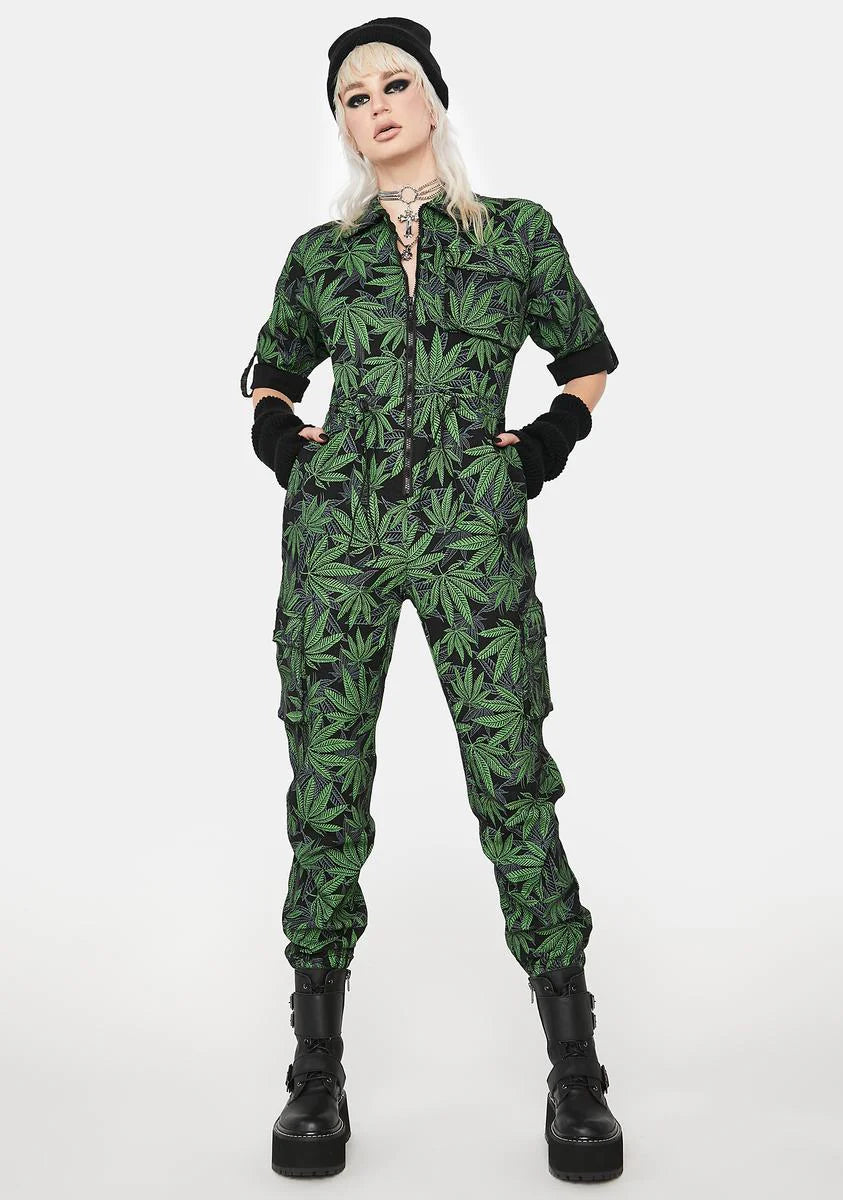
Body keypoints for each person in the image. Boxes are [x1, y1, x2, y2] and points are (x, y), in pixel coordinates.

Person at [240, 16, 622, 1183]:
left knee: (513, 780)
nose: (377, 108)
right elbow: (271, 367)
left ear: (435, 99)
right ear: (344, 127)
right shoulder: (321, 255)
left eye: (394, 84)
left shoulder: (516, 233)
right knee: (327, 788)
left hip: (472, 535)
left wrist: (544, 444)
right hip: (339, 542)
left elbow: (587, 358)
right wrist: (279, 437)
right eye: (353, 98)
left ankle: (576, 1073)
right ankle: (315, 1073)